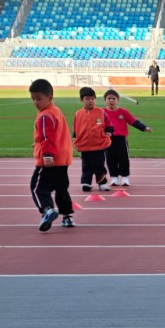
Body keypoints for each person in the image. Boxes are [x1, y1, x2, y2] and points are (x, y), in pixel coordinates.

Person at [28, 78, 75, 232]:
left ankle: (47, 209)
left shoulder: (44, 116)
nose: (36, 102)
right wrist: (38, 144)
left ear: (50, 97)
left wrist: (47, 154)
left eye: (39, 99)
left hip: (50, 160)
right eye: (33, 99)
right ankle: (67, 216)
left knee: (37, 188)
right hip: (63, 158)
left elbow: (47, 137)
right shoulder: (56, 111)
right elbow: (55, 135)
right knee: (61, 189)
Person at [102, 89, 151, 188]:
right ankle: (114, 177)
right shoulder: (102, 112)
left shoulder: (123, 112)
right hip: (108, 139)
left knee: (123, 158)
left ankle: (125, 177)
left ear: (118, 100)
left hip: (121, 139)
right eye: (109, 98)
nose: (111, 100)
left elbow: (133, 121)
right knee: (110, 159)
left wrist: (144, 127)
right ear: (105, 100)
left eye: (114, 99)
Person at [73, 86, 112, 193]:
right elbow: (75, 129)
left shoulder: (101, 112)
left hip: (98, 145)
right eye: (87, 99)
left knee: (99, 165)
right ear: (81, 100)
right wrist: (75, 140)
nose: (90, 101)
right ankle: (86, 183)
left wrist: (108, 134)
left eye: (92, 98)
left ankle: (102, 183)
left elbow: (109, 125)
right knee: (86, 166)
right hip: (84, 145)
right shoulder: (78, 114)